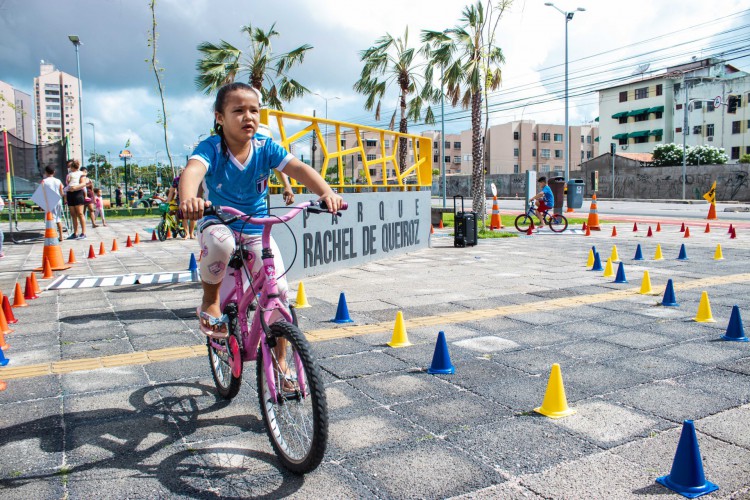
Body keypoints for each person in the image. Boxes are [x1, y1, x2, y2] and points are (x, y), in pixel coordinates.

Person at [179, 82, 343, 338]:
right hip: (218, 222)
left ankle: (282, 367)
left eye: (254, 111)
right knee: (221, 243)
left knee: (278, 293)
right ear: (220, 118)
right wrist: (189, 198)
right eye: (239, 110)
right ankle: (209, 302)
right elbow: (193, 170)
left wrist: (326, 192)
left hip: (255, 227)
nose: (249, 117)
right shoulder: (211, 148)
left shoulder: (265, 147)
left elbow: (298, 168)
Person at [167, 169, 196, 239]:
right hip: (181, 199)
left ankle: (191, 233)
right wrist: (168, 202)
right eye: (181, 173)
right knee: (184, 216)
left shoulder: (191, 178)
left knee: (192, 216)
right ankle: (186, 233)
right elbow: (171, 191)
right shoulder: (176, 180)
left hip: (191, 198)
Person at [64, 159, 87, 239]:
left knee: (80, 213)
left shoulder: (81, 174)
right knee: (73, 215)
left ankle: (83, 233)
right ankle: (75, 233)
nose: (70, 168)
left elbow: (84, 184)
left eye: (71, 166)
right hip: (70, 194)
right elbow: (68, 183)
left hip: (78, 194)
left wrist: (75, 188)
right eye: (69, 166)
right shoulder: (69, 174)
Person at [42, 165, 65, 241]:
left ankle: (51, 235)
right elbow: (62, 192)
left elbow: (43, 193)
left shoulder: (44, 181)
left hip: (49, 201)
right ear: (54, 172)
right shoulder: (58, 181)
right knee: (58, 218)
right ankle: (61, 236)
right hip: (58, 200)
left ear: (45, 172)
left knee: (49, 219)